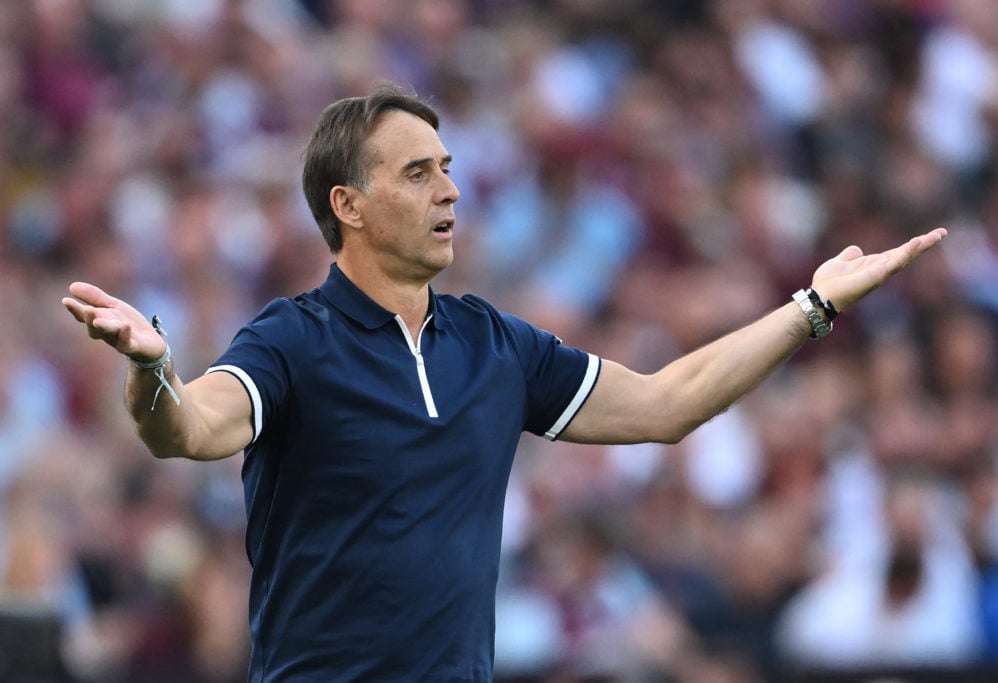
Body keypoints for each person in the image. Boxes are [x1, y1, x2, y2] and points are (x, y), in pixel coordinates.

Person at [61, 82, 947, 682]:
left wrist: (814, 306)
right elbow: (189, 428)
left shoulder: (495, 345)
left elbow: (668, 403)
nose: (450, 189)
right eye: (418, 172)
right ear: (348, 204)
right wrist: (153, 372)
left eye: (448, 167)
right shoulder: (293, 339)